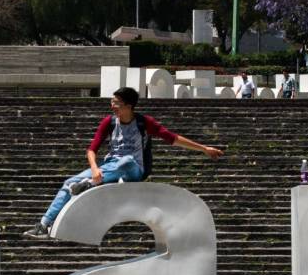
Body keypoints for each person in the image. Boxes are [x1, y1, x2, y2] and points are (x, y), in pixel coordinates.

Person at [23, 87, 224, 238]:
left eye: (116, 103)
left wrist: (204, 149)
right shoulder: (109, 122)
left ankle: (88, 185)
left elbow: (172, 138)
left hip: (134, 169)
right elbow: (92, 149)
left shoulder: (143, 123)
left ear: (128, 106)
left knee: (126, 160)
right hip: (109, 168)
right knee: (69, 183)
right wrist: (94, 170)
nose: (112, 106)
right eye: (112, 102)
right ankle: (43, 225)